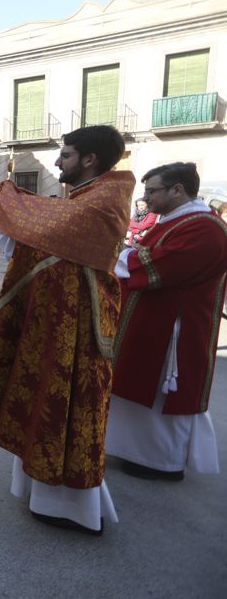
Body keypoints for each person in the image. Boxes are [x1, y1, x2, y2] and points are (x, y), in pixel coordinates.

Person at [0, 125, 135, 535]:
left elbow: (54, 227)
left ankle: (71, 506)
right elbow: (49, 232)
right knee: (42, 398)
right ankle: (40, 487)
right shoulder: (83, 197)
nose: (57, 161)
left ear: (89, 160)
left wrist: (9, 202)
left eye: (66, 155)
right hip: (55, 325)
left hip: (77, 332)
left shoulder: (101, 202)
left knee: (66, 404)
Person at [107, 162, 227, 482]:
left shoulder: (206, 228)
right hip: (155, 323)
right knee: (139, 390)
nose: (146, 199)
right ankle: (138, 453)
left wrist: (112, 254)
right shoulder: (177, 220)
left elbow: (164, 264)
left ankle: (162, 462)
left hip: (175, 333)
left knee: (162, 395)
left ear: (178, 190)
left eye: (152, 191)